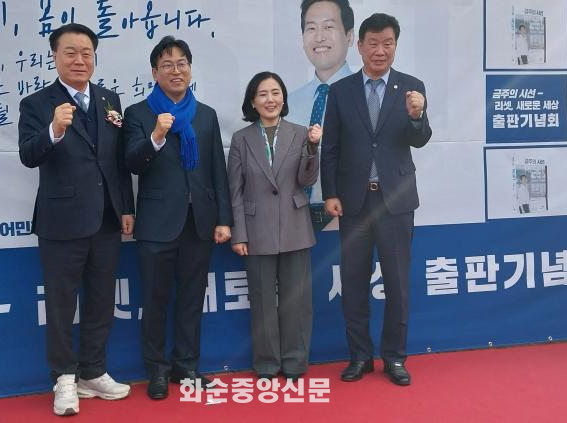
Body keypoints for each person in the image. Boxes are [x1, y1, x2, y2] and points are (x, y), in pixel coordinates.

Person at [18, 23, 133, 416]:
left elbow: (117, 162)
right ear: (54, 56)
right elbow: (28, 155)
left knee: (101, 300)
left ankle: (93, 372)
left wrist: (126, 207)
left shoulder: (109, 99)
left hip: (106, 219)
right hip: (61, 221)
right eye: (70, 52)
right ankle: (64, 377)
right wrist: (54, 129)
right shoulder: (37, 104)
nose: (79, 60)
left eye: (86, 52)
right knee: (61, 304)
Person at [321, 13, 432, 386]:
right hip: (354, 203)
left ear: (395, 46)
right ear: (360, 46)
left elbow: (419, 139)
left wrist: (416, 116)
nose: (380, 50)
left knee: (397, 284)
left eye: (388, 43)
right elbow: (330, 148)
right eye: (373, 43)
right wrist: (330, 193)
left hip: (395, 202)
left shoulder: (412, 88)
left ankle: (395, 357)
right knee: (354, 283)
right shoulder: (341, 91)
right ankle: (360, 357)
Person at [123, 36, 233, 400]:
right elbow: (132, 163)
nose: (176, 70)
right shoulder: (138, 114)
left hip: (198, 222)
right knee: (155, 301)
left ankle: (186, 366)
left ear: (190, 69)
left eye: (182, 63)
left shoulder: (206, 115)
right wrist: (156, 136)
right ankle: (157, 370)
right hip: (157, 224)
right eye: (167, 64)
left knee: (191, 300)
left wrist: (223, 218)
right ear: (154, 72)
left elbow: (217, 171)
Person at [227, 72, 323, 381]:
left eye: (276, 93)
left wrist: (312, 148)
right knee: (263, 302)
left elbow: (306, 180)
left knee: (297, 301)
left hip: (295, 225)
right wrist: (239, 234)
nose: (270, 99)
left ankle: (295, 361)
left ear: (284, 98)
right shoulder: (241, 139)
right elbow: (235, 191)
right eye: (263, 94)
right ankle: (267, 363)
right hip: (256, 229)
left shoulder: (300, 133)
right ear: (253, 102)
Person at [289, 0, 355, 227]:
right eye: (311, 28)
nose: (319, 37)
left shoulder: (364, 96)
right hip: (295, 216)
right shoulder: (289, 102)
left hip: (349, 214)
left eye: (328, 27)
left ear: (349, 36)